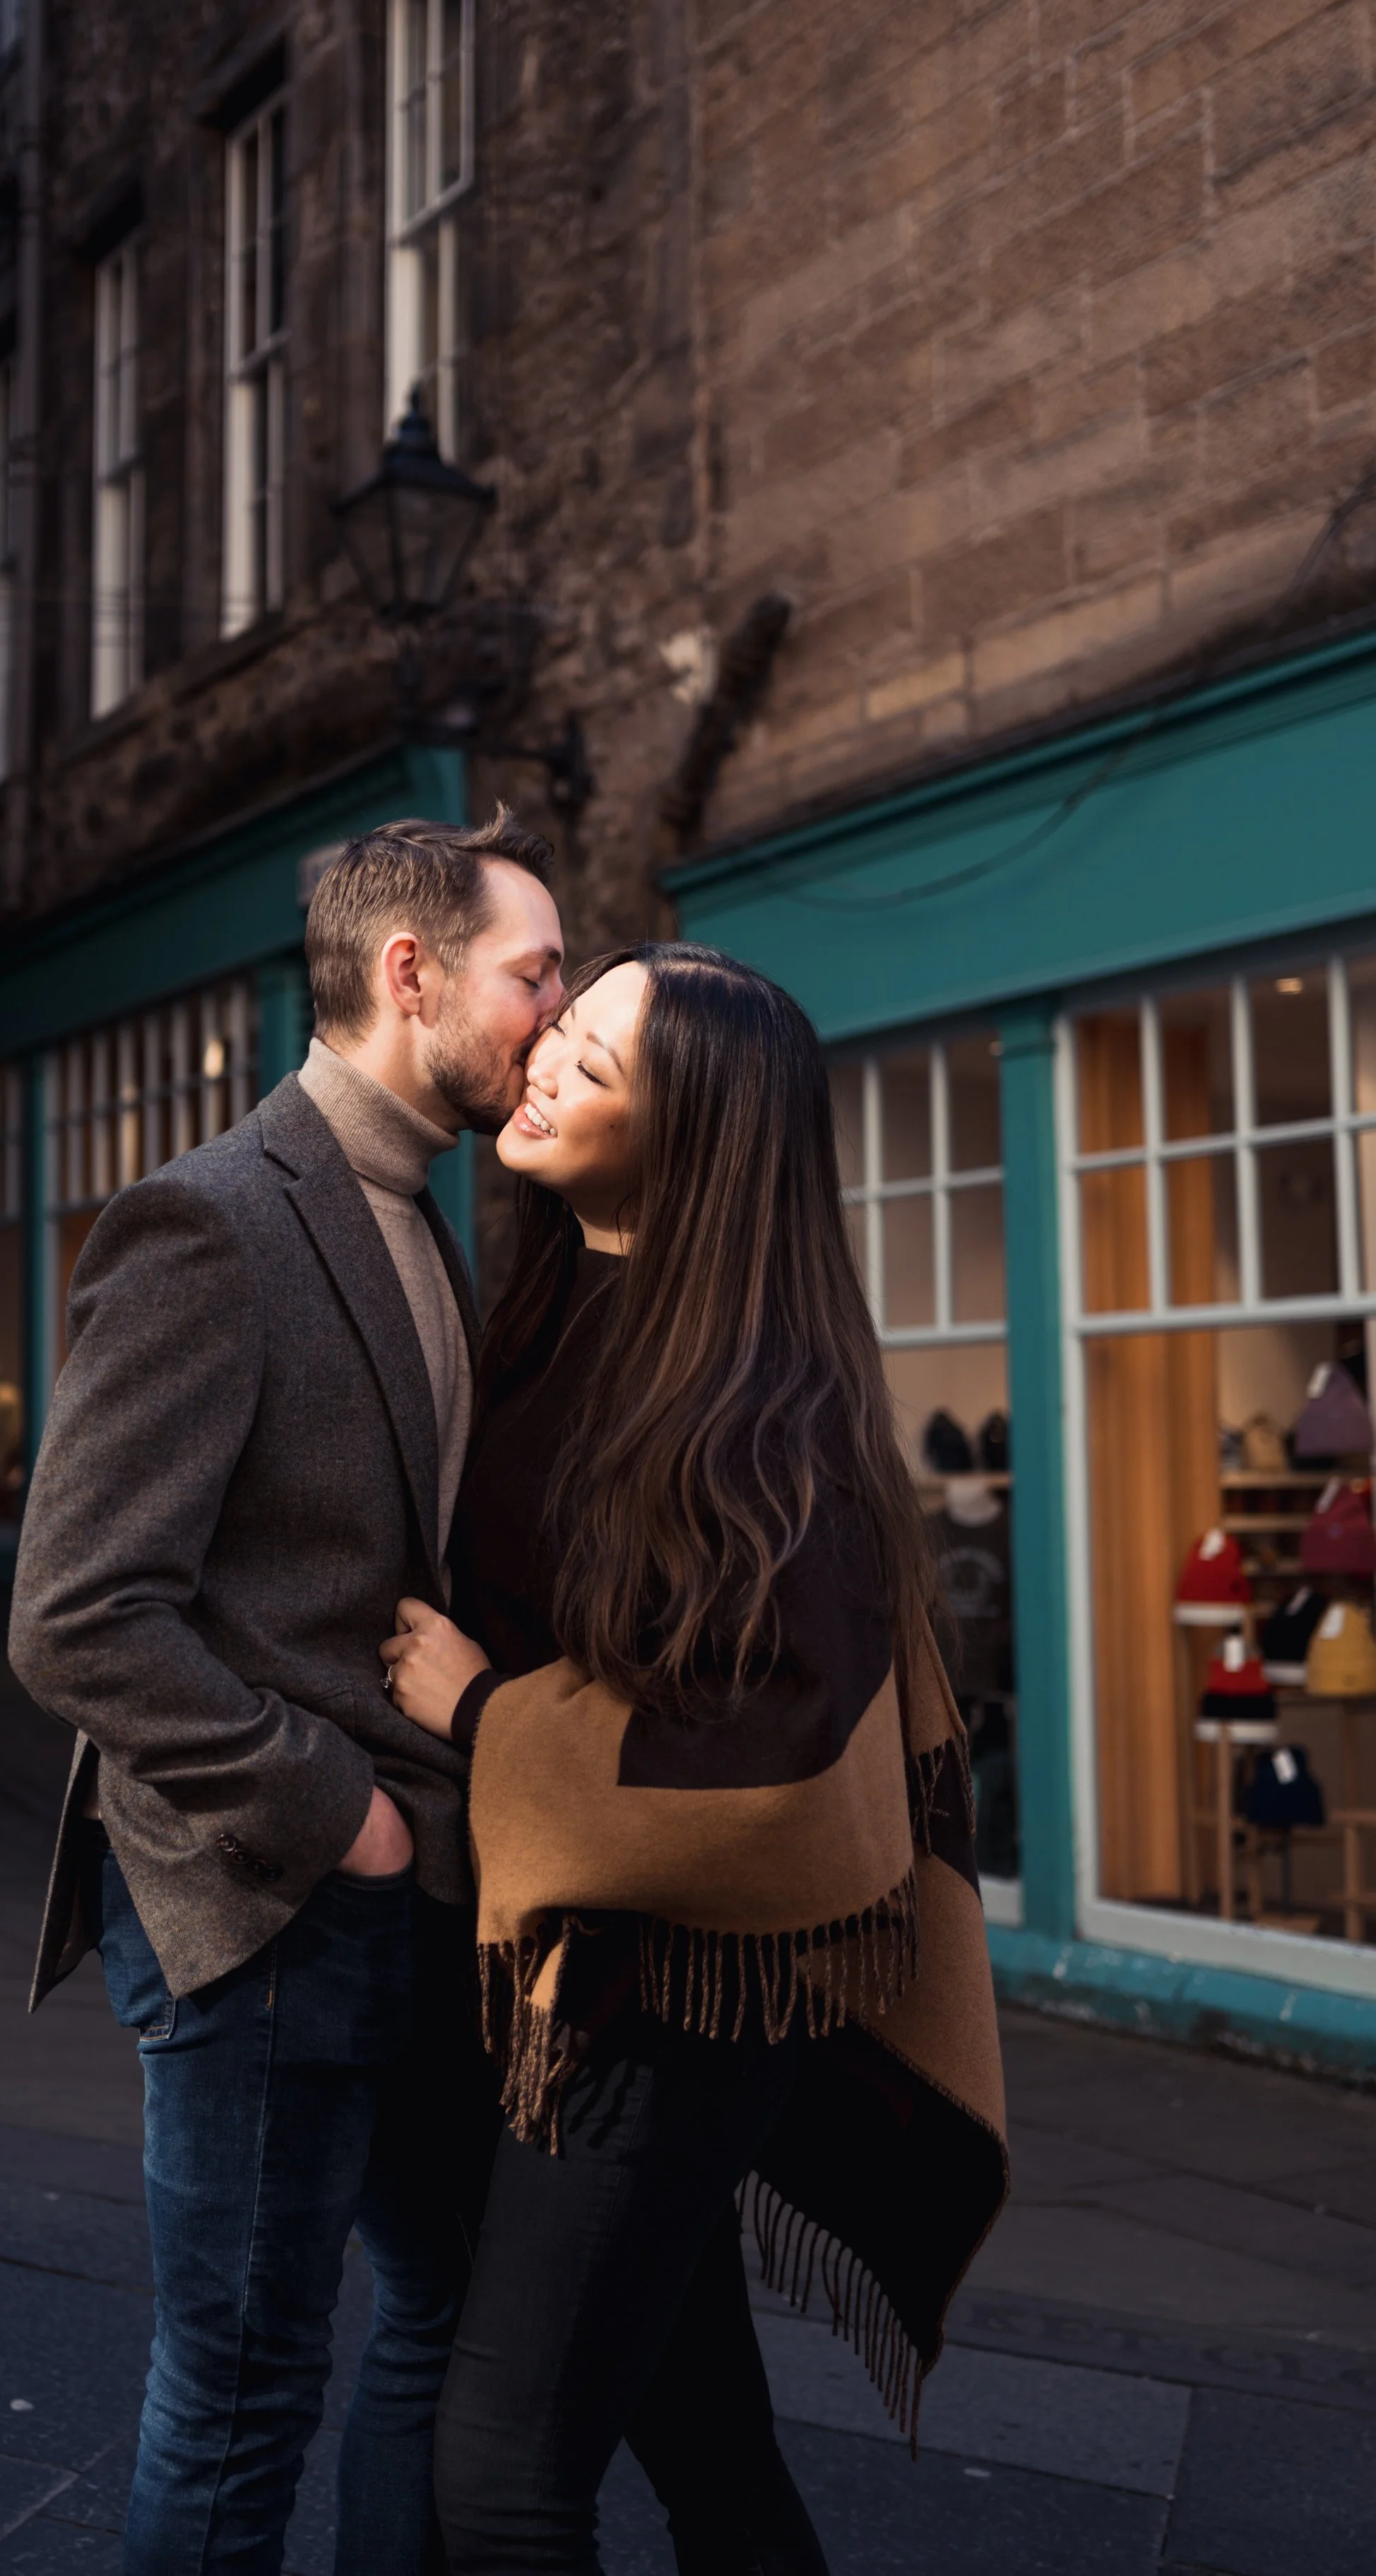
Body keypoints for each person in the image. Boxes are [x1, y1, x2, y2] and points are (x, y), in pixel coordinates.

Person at [385, 944, 1009, 2576]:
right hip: (557, 1966)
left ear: (698, 1136)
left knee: (502, 2474)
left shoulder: (765, 1402)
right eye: (558, 1031)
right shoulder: (551, 1301)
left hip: (668, 2003)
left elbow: (769, 1739)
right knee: (705, 2446)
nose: (538, 1067)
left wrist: (476, 1715)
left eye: (589, 1065)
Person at [8, 811, 564, 2576]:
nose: (553, 1013)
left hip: (408, 1899)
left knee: (445, 2317)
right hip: (261, 1904)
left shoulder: (422, 1216)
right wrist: (347, 1822)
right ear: (410, 975)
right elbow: (80, 1615)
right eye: (532, 973)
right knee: (245, 2390)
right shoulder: (211, 1222)